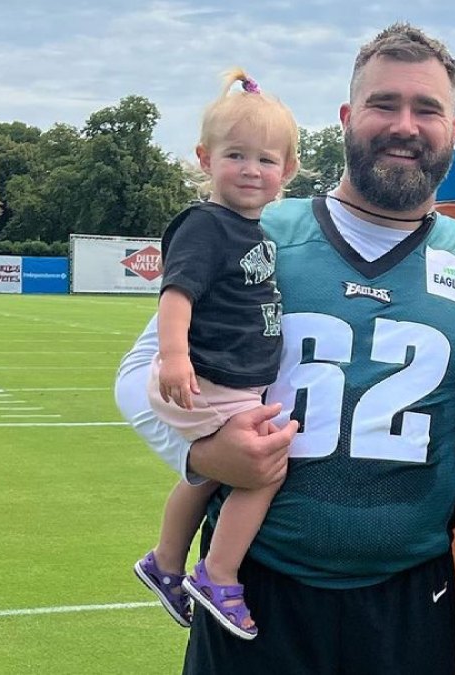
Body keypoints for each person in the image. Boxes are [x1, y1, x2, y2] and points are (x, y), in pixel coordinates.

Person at [114, 23, 455, 675]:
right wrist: (201, 452)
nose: (404, 125)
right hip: (260, 585)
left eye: (426, 109)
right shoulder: (258, 231)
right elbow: (138, 373)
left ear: (452, 130)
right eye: (383, 103)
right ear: (346, 118)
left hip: (408, 594)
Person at [131, 69, 299, 641]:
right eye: (235, 155)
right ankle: (218, 572)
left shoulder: (256, 233)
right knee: (264, 469)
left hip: (229, 380)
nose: (251, 170)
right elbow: (176, 294)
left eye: (265, 160)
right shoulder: (206, 225)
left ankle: (164, 561)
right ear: (205, 159)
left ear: (287, 170)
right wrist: (174, 356)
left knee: (206, 474)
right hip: (205, 378)